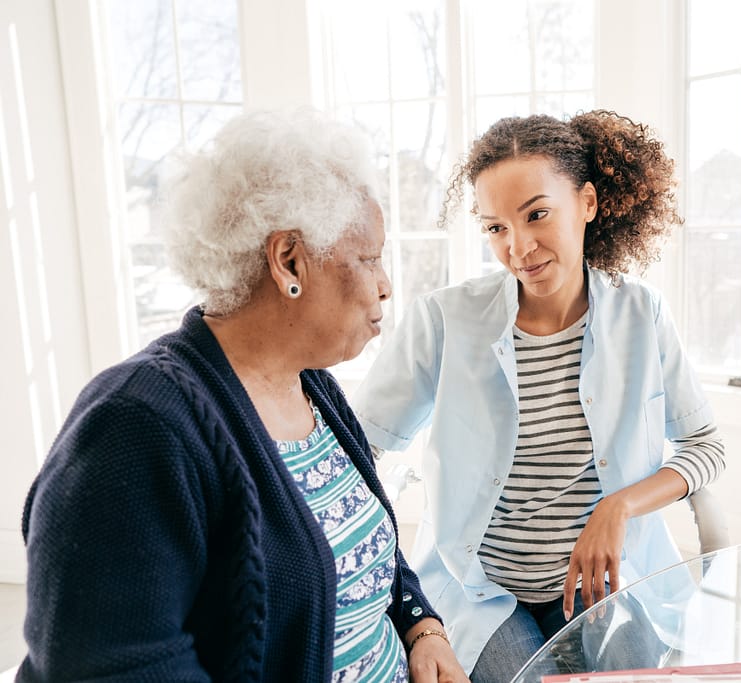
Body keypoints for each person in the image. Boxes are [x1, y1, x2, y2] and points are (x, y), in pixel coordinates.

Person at [17, 108, 468, 683]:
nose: (386, 284)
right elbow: (109, 667)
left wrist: (422, 629)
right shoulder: (136, 425)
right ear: (288, 262)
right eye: (369, 258)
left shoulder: (312, 386)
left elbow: (366, 543)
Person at [351, 110, 726, 681]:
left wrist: (617, 506)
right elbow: (360, 449)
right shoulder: (444, 321)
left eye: (537, 215)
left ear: (589, 204)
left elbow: (706, 445)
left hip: (611, 583)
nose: (519, 248)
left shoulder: (641, 313)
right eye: (496, 228)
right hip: (483, 591)